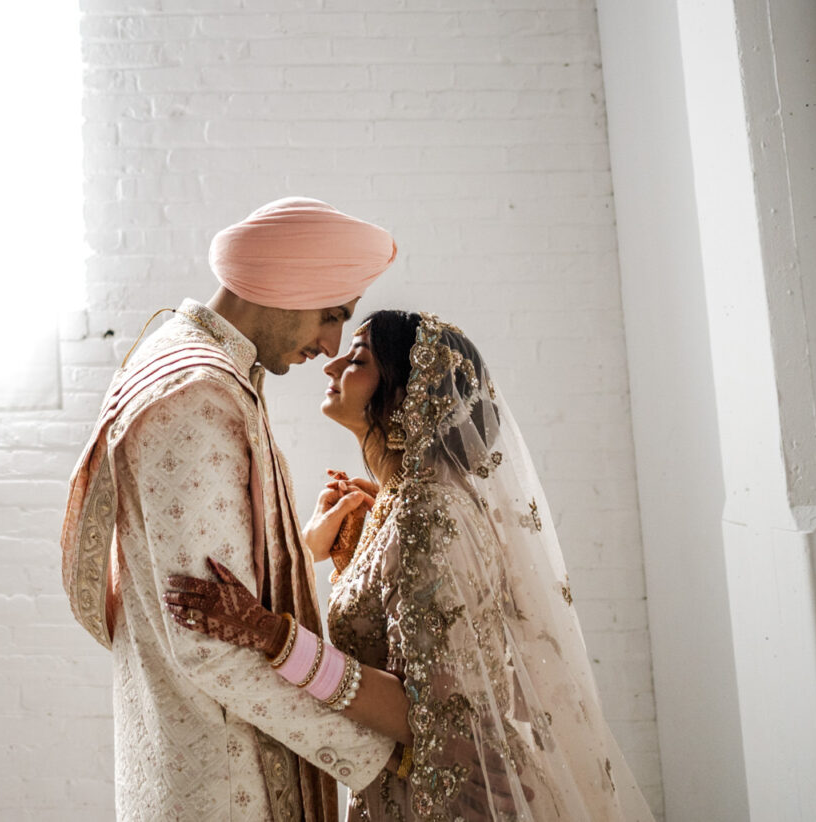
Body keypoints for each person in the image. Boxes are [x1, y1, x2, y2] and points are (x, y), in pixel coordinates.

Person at [165, 311, 655, 822]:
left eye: (357, 359)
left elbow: (435, 713)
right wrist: (347, 553)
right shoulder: (405, 506)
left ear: (404, 396)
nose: (331, 366)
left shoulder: (427, 514)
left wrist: (269, 635)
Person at [61, 197, 412, 822]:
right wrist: (382, 754)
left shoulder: (189, 359)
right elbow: (209, 640)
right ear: (283, 286)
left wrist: (298, 548)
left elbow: (217, 584)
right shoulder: (199, 392)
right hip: (223, 777)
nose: (331, 344)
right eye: (331, 315)